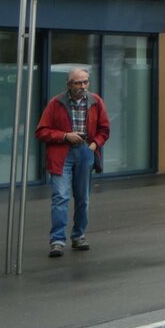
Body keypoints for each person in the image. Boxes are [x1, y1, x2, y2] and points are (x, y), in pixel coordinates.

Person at [35, 68, 110, 258]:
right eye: (78, 83)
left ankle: (78, 236)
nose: (82, 86)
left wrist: (94, 145)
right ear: (69, 85)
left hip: (86, 152)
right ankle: (57, 241)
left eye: (85, 82)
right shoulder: (56, 103)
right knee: (60, 196)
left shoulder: (96, 101)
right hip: (62, 153)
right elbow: (41, 131)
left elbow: (105, 129)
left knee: (82, 197)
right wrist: (65, 136)